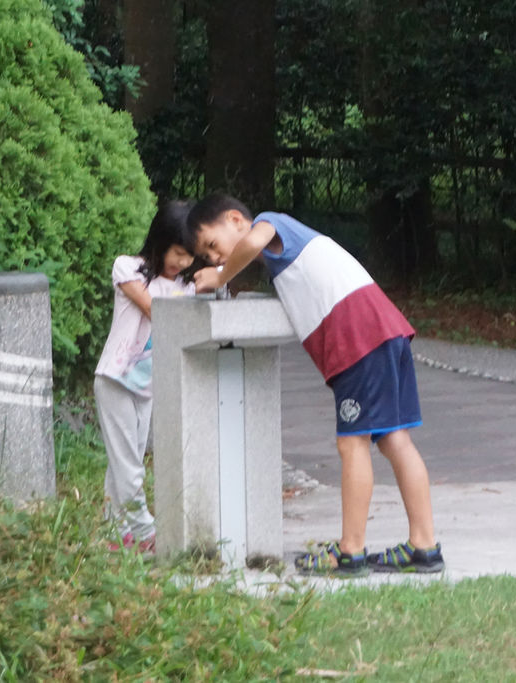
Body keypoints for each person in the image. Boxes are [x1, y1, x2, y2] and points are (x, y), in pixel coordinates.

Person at [185, 194, 443, 577]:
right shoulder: (283, 255)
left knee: (352, 442)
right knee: (394, 439)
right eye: (207, 256)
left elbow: (253, 243)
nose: (216, 256)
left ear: (236, 219)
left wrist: (221, 278)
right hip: (383, 330)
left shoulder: (269, 225)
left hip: (359, 340)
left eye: (212, 244)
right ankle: (424, 546)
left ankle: (350, 552)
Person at [94, 200, 196, 554]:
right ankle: (147, 531)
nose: (182, 263)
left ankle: (113, 529)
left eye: (189, 257)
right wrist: (191, 294)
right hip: (116, 381)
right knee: (129, 466)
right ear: (160, 240)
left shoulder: (186, 286)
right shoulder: (129, 269)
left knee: (124, 463)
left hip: (147, 388)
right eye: (179, 253)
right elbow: (156, 310)